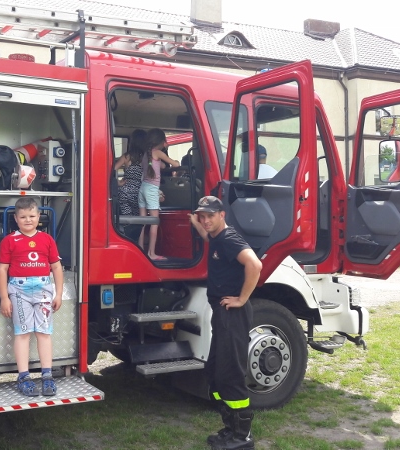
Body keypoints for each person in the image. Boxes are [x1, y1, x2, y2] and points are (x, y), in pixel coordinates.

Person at [189, 196, 262, 450]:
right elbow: (206, 233)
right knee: (216, 371)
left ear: (222, 215)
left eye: (210, 216)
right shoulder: (216, 236)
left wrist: (242, 298)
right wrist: (194, 222)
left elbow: (255, 264)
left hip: (233, 314)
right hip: (222, 314)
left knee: (231, 374)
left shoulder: (230, 239)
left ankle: (242, 436)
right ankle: (230, 429)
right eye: (202, 216)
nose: (205, 220)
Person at [0, 197, 64, 397]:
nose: (28, 220)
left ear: (39, 216)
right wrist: (4, 297)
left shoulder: (47, 239)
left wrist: (58, 293)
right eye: (23, 217)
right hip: (19, 291)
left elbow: (56, 267)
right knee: (23, 333)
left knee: (44, 332)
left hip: (43, 290)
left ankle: (47, 375)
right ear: (16, 219)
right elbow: (2, 270)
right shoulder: (9, 241)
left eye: (32, 216)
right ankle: (24, 377)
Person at [138, 128, 180, 261]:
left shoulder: (146, 154)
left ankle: (141, 251)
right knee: (154, 222)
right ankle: (151, 253)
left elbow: (159, 166)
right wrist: (176, 162)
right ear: (161, 141)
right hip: (151, 189)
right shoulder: (158, 152)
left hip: (142, 188)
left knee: (142, 221)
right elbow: (174, 164)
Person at [114, 129, 147, 216]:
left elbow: (112, 170)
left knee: (127, 218)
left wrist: (117, 182)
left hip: (124, 191)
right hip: (139, 191)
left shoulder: (126, 156)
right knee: (138, 217)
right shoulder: (146, 157)